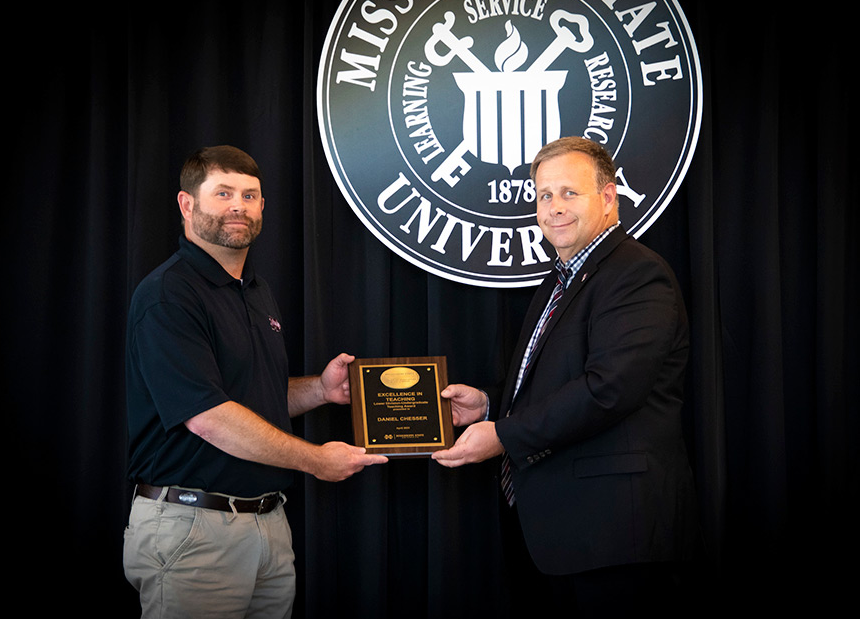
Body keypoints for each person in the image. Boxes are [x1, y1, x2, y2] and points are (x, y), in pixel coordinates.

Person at [432, 137, 698, 616]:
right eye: (543, 195)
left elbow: (609, 390)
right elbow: (558, 384)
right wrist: (491, 407)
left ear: (608, 197)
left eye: (568, 193)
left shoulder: (637, 275)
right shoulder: (562, 278)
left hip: (615, 537)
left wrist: (504, 434)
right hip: (561, 535)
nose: (553, 208)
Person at [123, 145, 387, 618]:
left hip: (267, 524)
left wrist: (321, 391)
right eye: (223, 193)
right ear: (187, 204)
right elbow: (209, 418)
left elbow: (251, 399)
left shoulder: (255, 291)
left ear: (263, 206)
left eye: (250, 195)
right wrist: (315, 461)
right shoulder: (169, 296)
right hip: (193, 529)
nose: (238, 206)